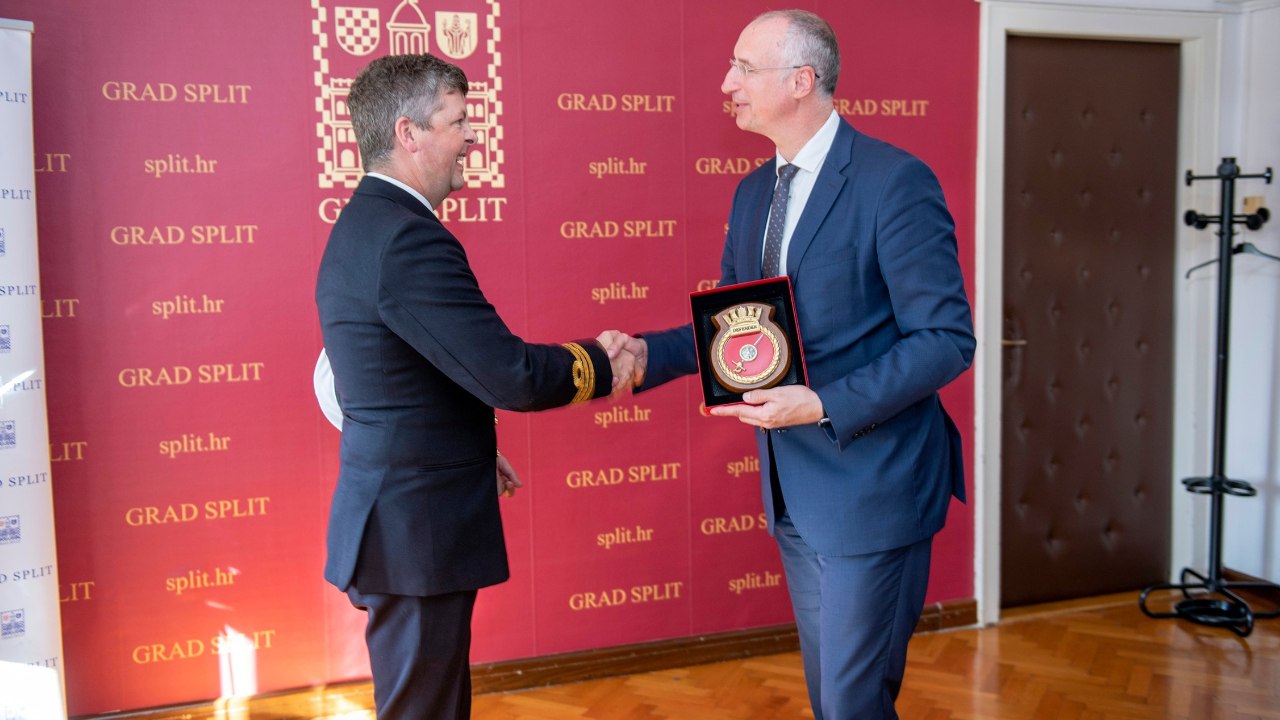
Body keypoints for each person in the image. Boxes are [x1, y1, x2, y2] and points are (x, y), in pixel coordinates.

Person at [603, 10, 974, 719]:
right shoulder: (754, 193)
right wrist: (649, 354)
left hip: (874, 490)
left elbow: (945, 339)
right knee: (833, 698)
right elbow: (735, 331)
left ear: (801, 81)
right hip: (795, 493)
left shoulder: (894, 182)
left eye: (744, 68)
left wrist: (824, 403)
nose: (727, 83)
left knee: (852, 703)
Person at [315, 54, 631, 719]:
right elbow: (509, 374)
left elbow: (404, 375)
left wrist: (471, 445)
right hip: (415, 530)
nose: (472, 137)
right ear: (408, 133)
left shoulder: (370, 223)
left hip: (403, 520)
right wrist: (604, 363)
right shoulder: (408, 239)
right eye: (458, 121)